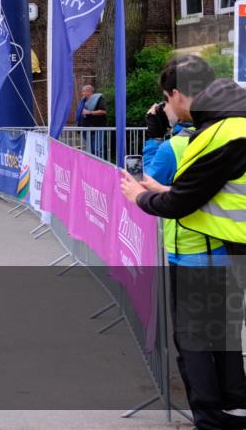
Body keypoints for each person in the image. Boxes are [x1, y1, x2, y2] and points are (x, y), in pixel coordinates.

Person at [120, 55, 246, 429]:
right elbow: (205, 189)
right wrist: (166, 189)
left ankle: (210, 418)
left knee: (194, 339)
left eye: (166, 99)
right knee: (222, 334)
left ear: (177, 95)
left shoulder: (216, 135)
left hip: (205, 253)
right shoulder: (233, 121)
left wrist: (140, 197)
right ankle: (232, 407)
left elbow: (180, 201)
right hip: (223, 250)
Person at [75, 84, 107, 159]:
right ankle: (92, 167)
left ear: (89, 91)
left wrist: (90, 112)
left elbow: (103, 111)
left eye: (84, 91)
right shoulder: (83, 101)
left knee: (98, 149)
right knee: (90, 150)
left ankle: (100, 167)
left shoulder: (98, 98)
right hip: (87, 129)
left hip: (97, 128)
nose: (82, 93)